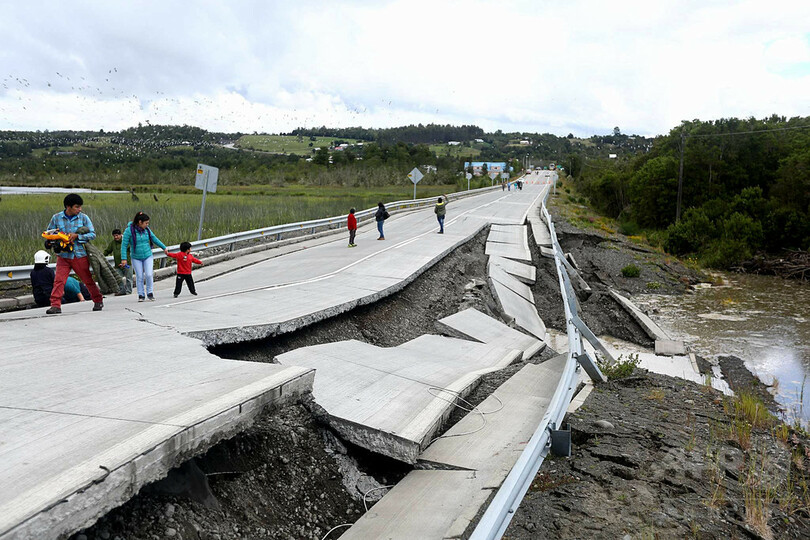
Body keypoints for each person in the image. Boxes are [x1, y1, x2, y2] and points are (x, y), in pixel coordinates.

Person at [43, 193, 104, 314]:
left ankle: (98, 300)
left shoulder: (83, 218)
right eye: (77, 207)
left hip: (79, 255)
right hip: (63, 256)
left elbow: (92, 234)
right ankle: (55, 305)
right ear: (68, 206)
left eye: (80, 207)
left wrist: (77, 236)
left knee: (87, 280)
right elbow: (49, 233)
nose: (79, 209)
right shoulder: (56, 218)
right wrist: (51, 241)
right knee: (59, 280)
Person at [121, 211, 168, 302]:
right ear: (140, 222)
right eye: (146, 223)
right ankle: (141, 294)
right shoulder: (129, 231)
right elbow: (124, 245)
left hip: (147, 255)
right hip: (136, 257)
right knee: (139, 276)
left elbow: (154, 238)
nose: (147, 225)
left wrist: (164, 247)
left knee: (149, 274)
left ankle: (150, 292)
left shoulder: (147, 230)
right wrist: (124, 259)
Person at [105, 228, 133, 295]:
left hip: (127, 263)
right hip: (117, 265)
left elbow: (132, 249)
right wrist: (101, 256)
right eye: (114, 236)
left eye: (117, 235)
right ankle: (122, 290)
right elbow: (107, 251)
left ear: (121, 235)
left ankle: (128, 291)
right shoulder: (113, 243)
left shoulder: (126, 241)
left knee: (129, 278)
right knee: (118, 278)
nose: (116, 237)